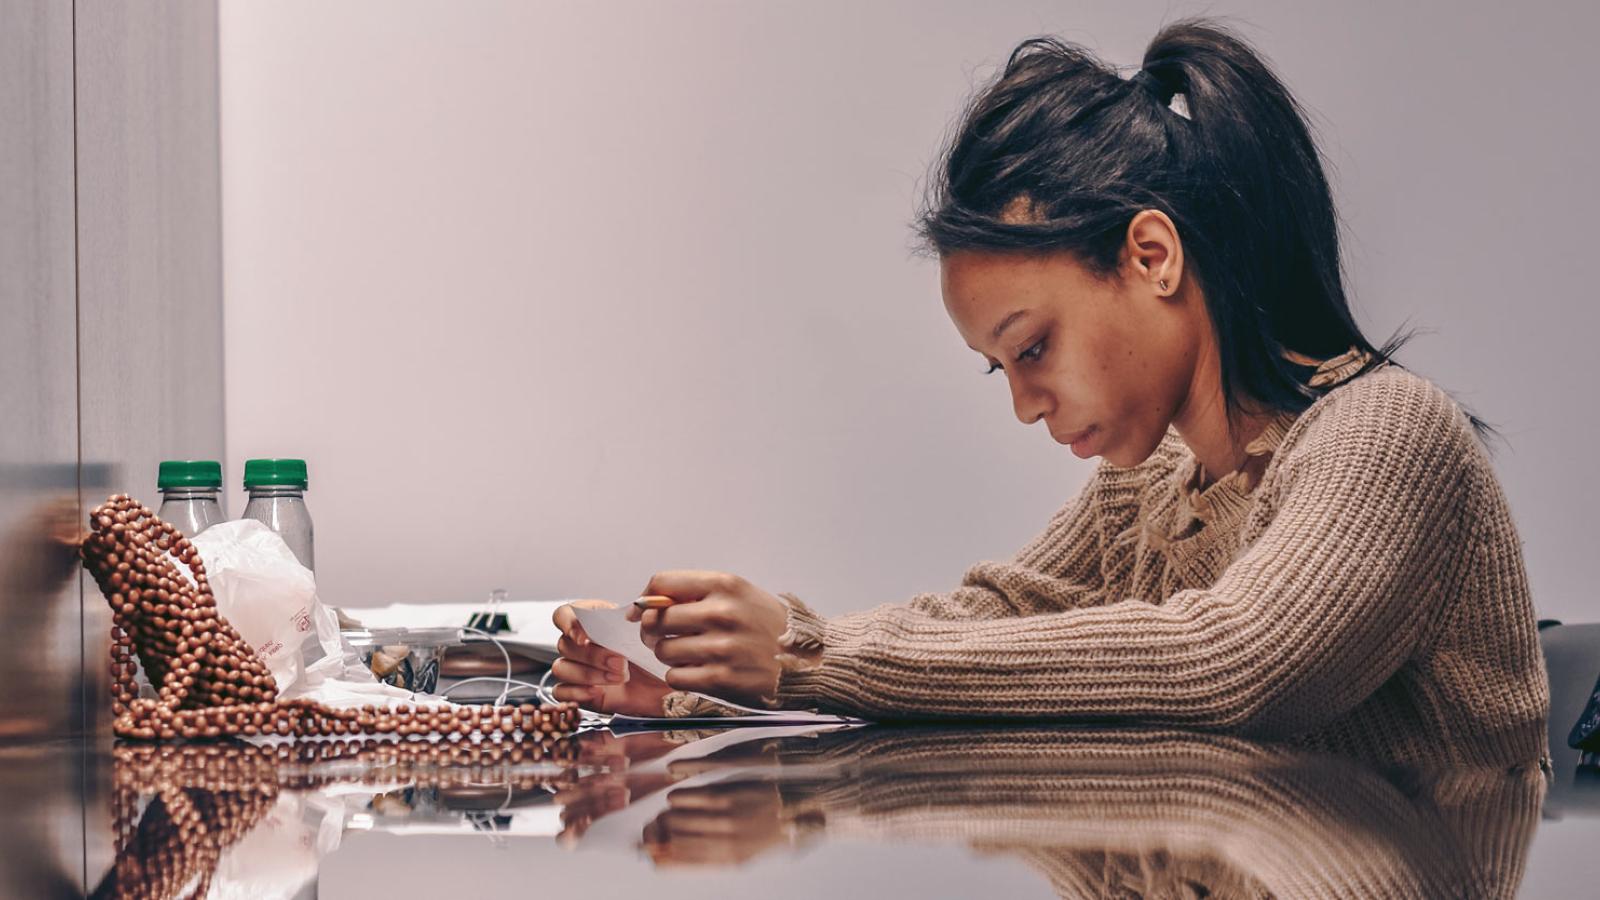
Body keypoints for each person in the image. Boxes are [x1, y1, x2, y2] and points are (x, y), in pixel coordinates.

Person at [551, 17, 1549, 768]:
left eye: (1032, 347)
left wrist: (806, 656)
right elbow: (991, 620)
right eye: (1004, 366)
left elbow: (1230, 666)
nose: (1026, 405)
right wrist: (714, 692)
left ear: (1150, 256)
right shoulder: (1151, 484)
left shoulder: (1385, 435)